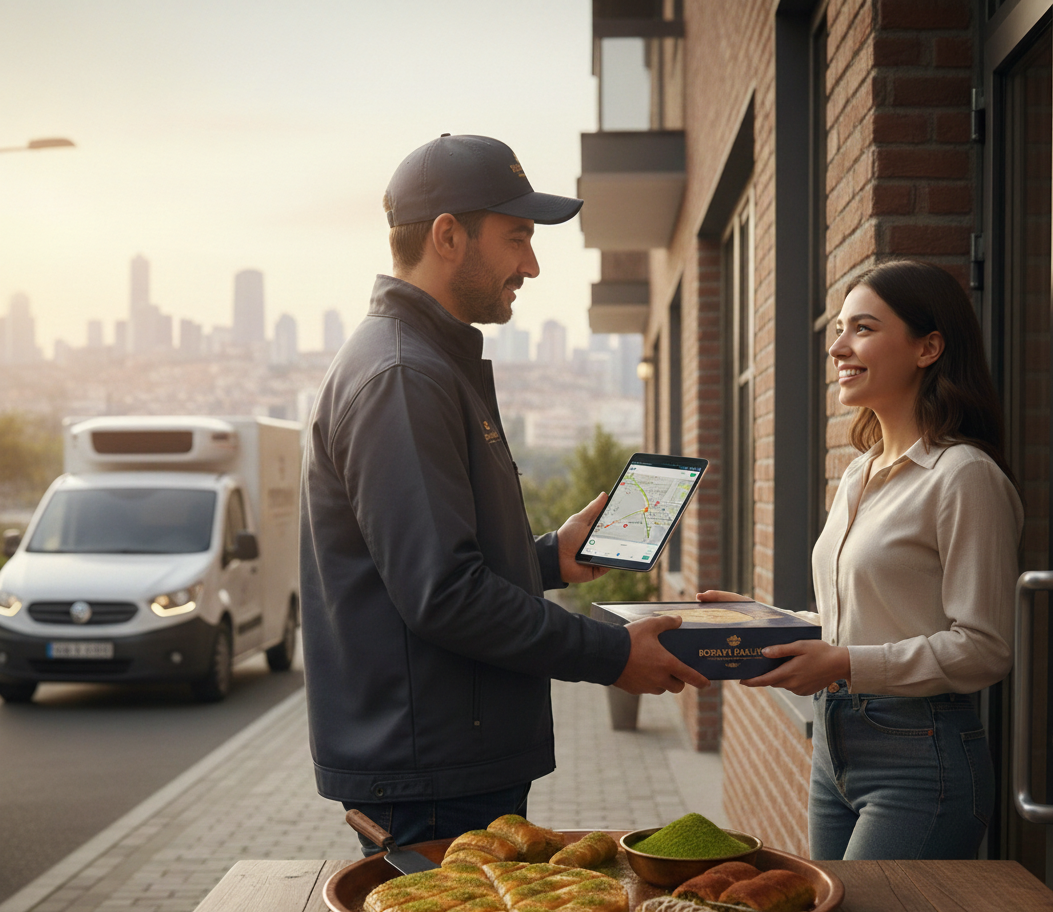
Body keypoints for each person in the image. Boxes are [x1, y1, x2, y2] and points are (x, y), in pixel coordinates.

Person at [300, 133, 708, 855]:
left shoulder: (425, 362)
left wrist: (550, 558)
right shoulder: (402, 376)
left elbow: (428, 563)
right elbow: (443, 593)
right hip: (431, 774)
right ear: (448, 236)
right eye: (517, 236)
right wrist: (611, 654)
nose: (531, 263)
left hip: (446, 758)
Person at [699, 259, 1022, 861]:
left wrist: (844, 661)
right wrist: (762, 622)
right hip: (835, 744)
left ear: (928, 347)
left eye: (862, 329)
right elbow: (864, 618)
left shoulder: (964, 477)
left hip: (922, 756)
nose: (838, 347)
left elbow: (985, 647)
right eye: (839, 329)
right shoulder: (858, 475)